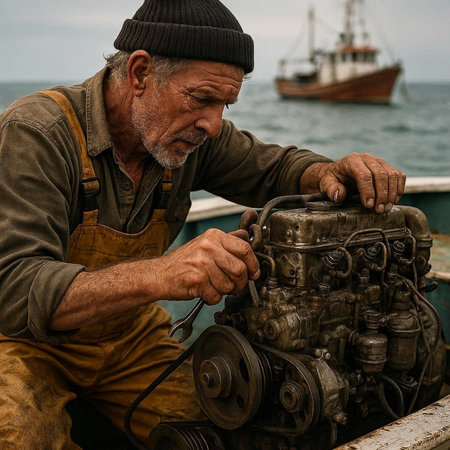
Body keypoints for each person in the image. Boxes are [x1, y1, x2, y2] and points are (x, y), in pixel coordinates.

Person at [0, 0, 405, 447]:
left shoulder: (187, 137)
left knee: (238, 422)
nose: (213, 125)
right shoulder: (38, 133)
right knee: (20, 435)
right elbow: (16, 291)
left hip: (128, 338)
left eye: (226, 105)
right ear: (140, 74)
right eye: (201, 99)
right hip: (23, 345)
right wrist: (162, 273)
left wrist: (330, 171)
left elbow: (273, 169)